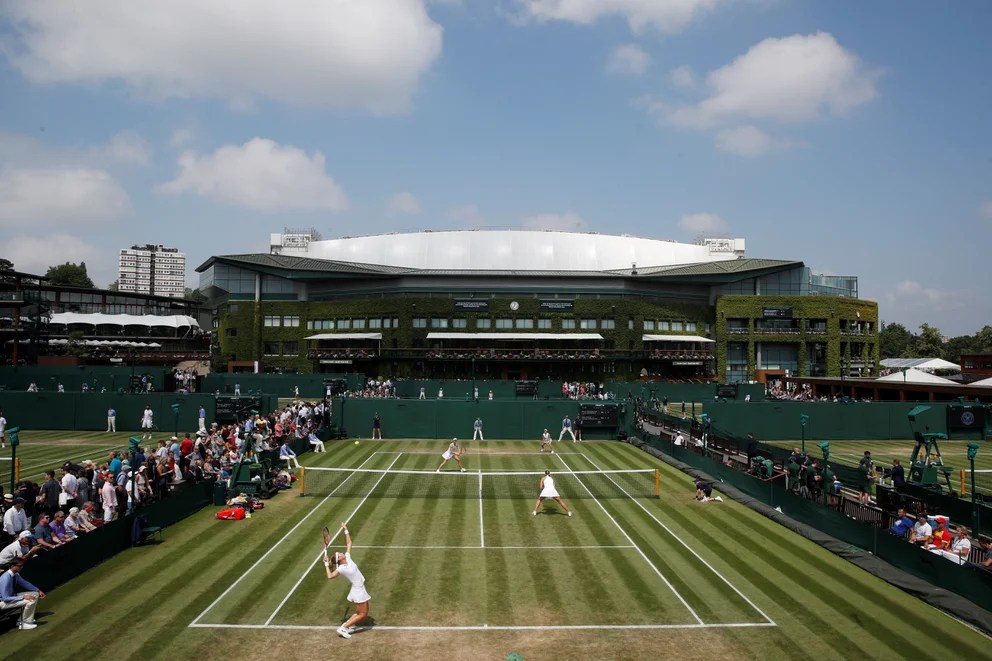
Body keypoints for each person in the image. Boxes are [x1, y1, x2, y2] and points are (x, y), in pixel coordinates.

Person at [325, 522, 370, 638]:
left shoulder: (348, 558)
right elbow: (330, 576)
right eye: (339, 554)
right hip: (358, 590)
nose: (341, 553)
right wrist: (326, 565)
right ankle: (343, 628)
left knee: (361, 612)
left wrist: (346, 530)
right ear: (339, 559)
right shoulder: (341, 568)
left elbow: (349, 543)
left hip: (360, 588)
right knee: (363, 613)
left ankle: (348, 625)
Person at [0, 558, 45, 630]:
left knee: (35, 595)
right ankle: (25, 623)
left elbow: (25, 583)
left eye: (22, 566)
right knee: (30, 601)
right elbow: (5, 598)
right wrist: (23, 597)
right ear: (12, 566)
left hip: (11, 597)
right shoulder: (5, 578)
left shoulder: (16, 575)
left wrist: (38, 590)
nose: (21, 567)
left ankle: (21, 620)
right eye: (19, 566)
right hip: (2, 602)